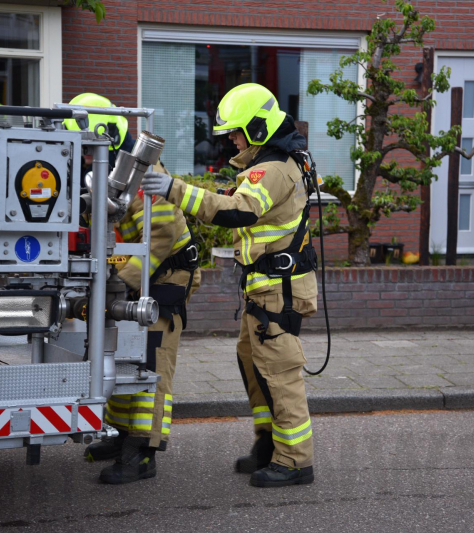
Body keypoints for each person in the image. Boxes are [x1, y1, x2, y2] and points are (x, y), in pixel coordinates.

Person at [142, 83, 318, 488]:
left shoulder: (272, 168)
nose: (233, 140)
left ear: (257, 127)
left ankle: (294, 461)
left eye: (238, 132)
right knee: (252, 363)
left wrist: (175, 190)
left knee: (279, 372)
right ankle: (269, 445)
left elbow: (239, 212)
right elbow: (253, 204)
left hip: (278, 288)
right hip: (268, 287)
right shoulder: (275, 161)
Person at [67, 95, 201, 485]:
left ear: (105, 137)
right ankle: (122, 436)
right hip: (136, 280)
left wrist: (116, 285)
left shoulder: (144, 174)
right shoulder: (113, 171)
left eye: (89, 147)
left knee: (151, 367)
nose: (86, 158)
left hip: (163, 283)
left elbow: (158, 238)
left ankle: (143, 453)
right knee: (124, 359)